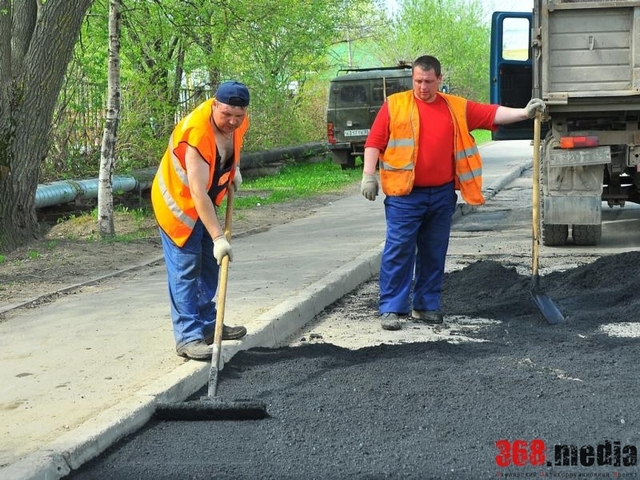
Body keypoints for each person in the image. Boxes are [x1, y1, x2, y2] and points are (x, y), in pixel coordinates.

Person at [360, 55, 546, 331]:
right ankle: (391, 308)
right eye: (418, 81)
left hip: (442, 193)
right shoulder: (395, 105)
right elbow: (374, 141)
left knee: (434, 252)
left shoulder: (455, 108)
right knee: (399, 250)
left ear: (440, 80)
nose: (422, 87)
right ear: (412, 78)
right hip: (405, 195)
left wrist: (524, 112)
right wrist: (368, 175)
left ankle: (425, 306)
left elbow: (491, 113)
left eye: (428, 81)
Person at [151, 81, 251, 360]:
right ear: (214, 104)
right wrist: (219, 237)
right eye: (226, 115)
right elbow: (197, 192)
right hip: (178, 205)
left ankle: (208, 326)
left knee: (209, 264)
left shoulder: (239, 123)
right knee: (186, 268)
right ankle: (188, 337)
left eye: (238, 116)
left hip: (204, 201)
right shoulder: (195, 133)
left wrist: (233, 169)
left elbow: (228, 149)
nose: (232, 121)